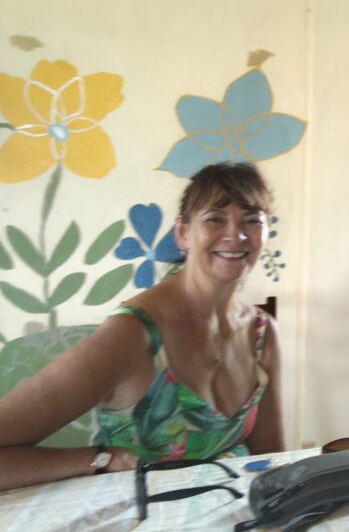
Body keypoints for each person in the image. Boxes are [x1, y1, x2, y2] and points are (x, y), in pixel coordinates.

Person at [0, 162, 284, 491]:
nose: (236, 235)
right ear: (183, 234)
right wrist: (99, 459)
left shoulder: (262, 332)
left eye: (252, 220)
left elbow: (271, 456)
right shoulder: (131, 334)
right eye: (214, 219)